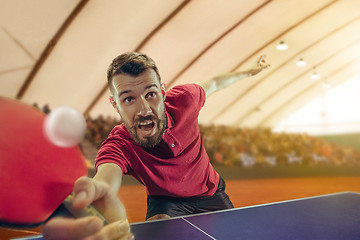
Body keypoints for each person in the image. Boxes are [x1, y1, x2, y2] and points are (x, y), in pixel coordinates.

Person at [42, 52, 269, 239]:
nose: (144, 110)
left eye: (150, 94)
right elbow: (106, 176)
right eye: (128, 99)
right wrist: (100, 193)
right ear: (115, 104)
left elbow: (216, 83)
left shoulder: (185, 99)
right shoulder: (118, 144)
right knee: (157, 227)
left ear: (162, 92)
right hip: (166, 202)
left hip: (211, 194)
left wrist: (249, 71)